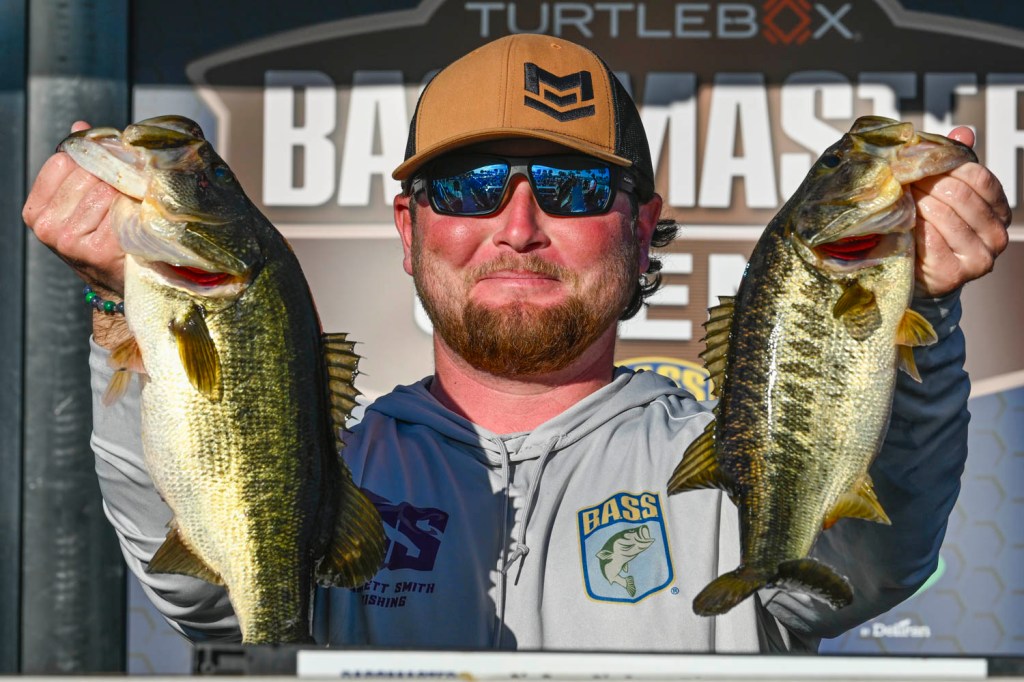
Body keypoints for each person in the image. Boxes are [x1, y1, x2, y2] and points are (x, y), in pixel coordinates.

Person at [23, 34, 1010, 652]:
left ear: (641, 228)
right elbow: (207, 601)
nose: (519, 224)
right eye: (470, 186)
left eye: (573, 187)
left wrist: (910, 314)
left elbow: (869, 565)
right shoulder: (325, 462)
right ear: (409, 227)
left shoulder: (736, 462)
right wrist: (124, 296)